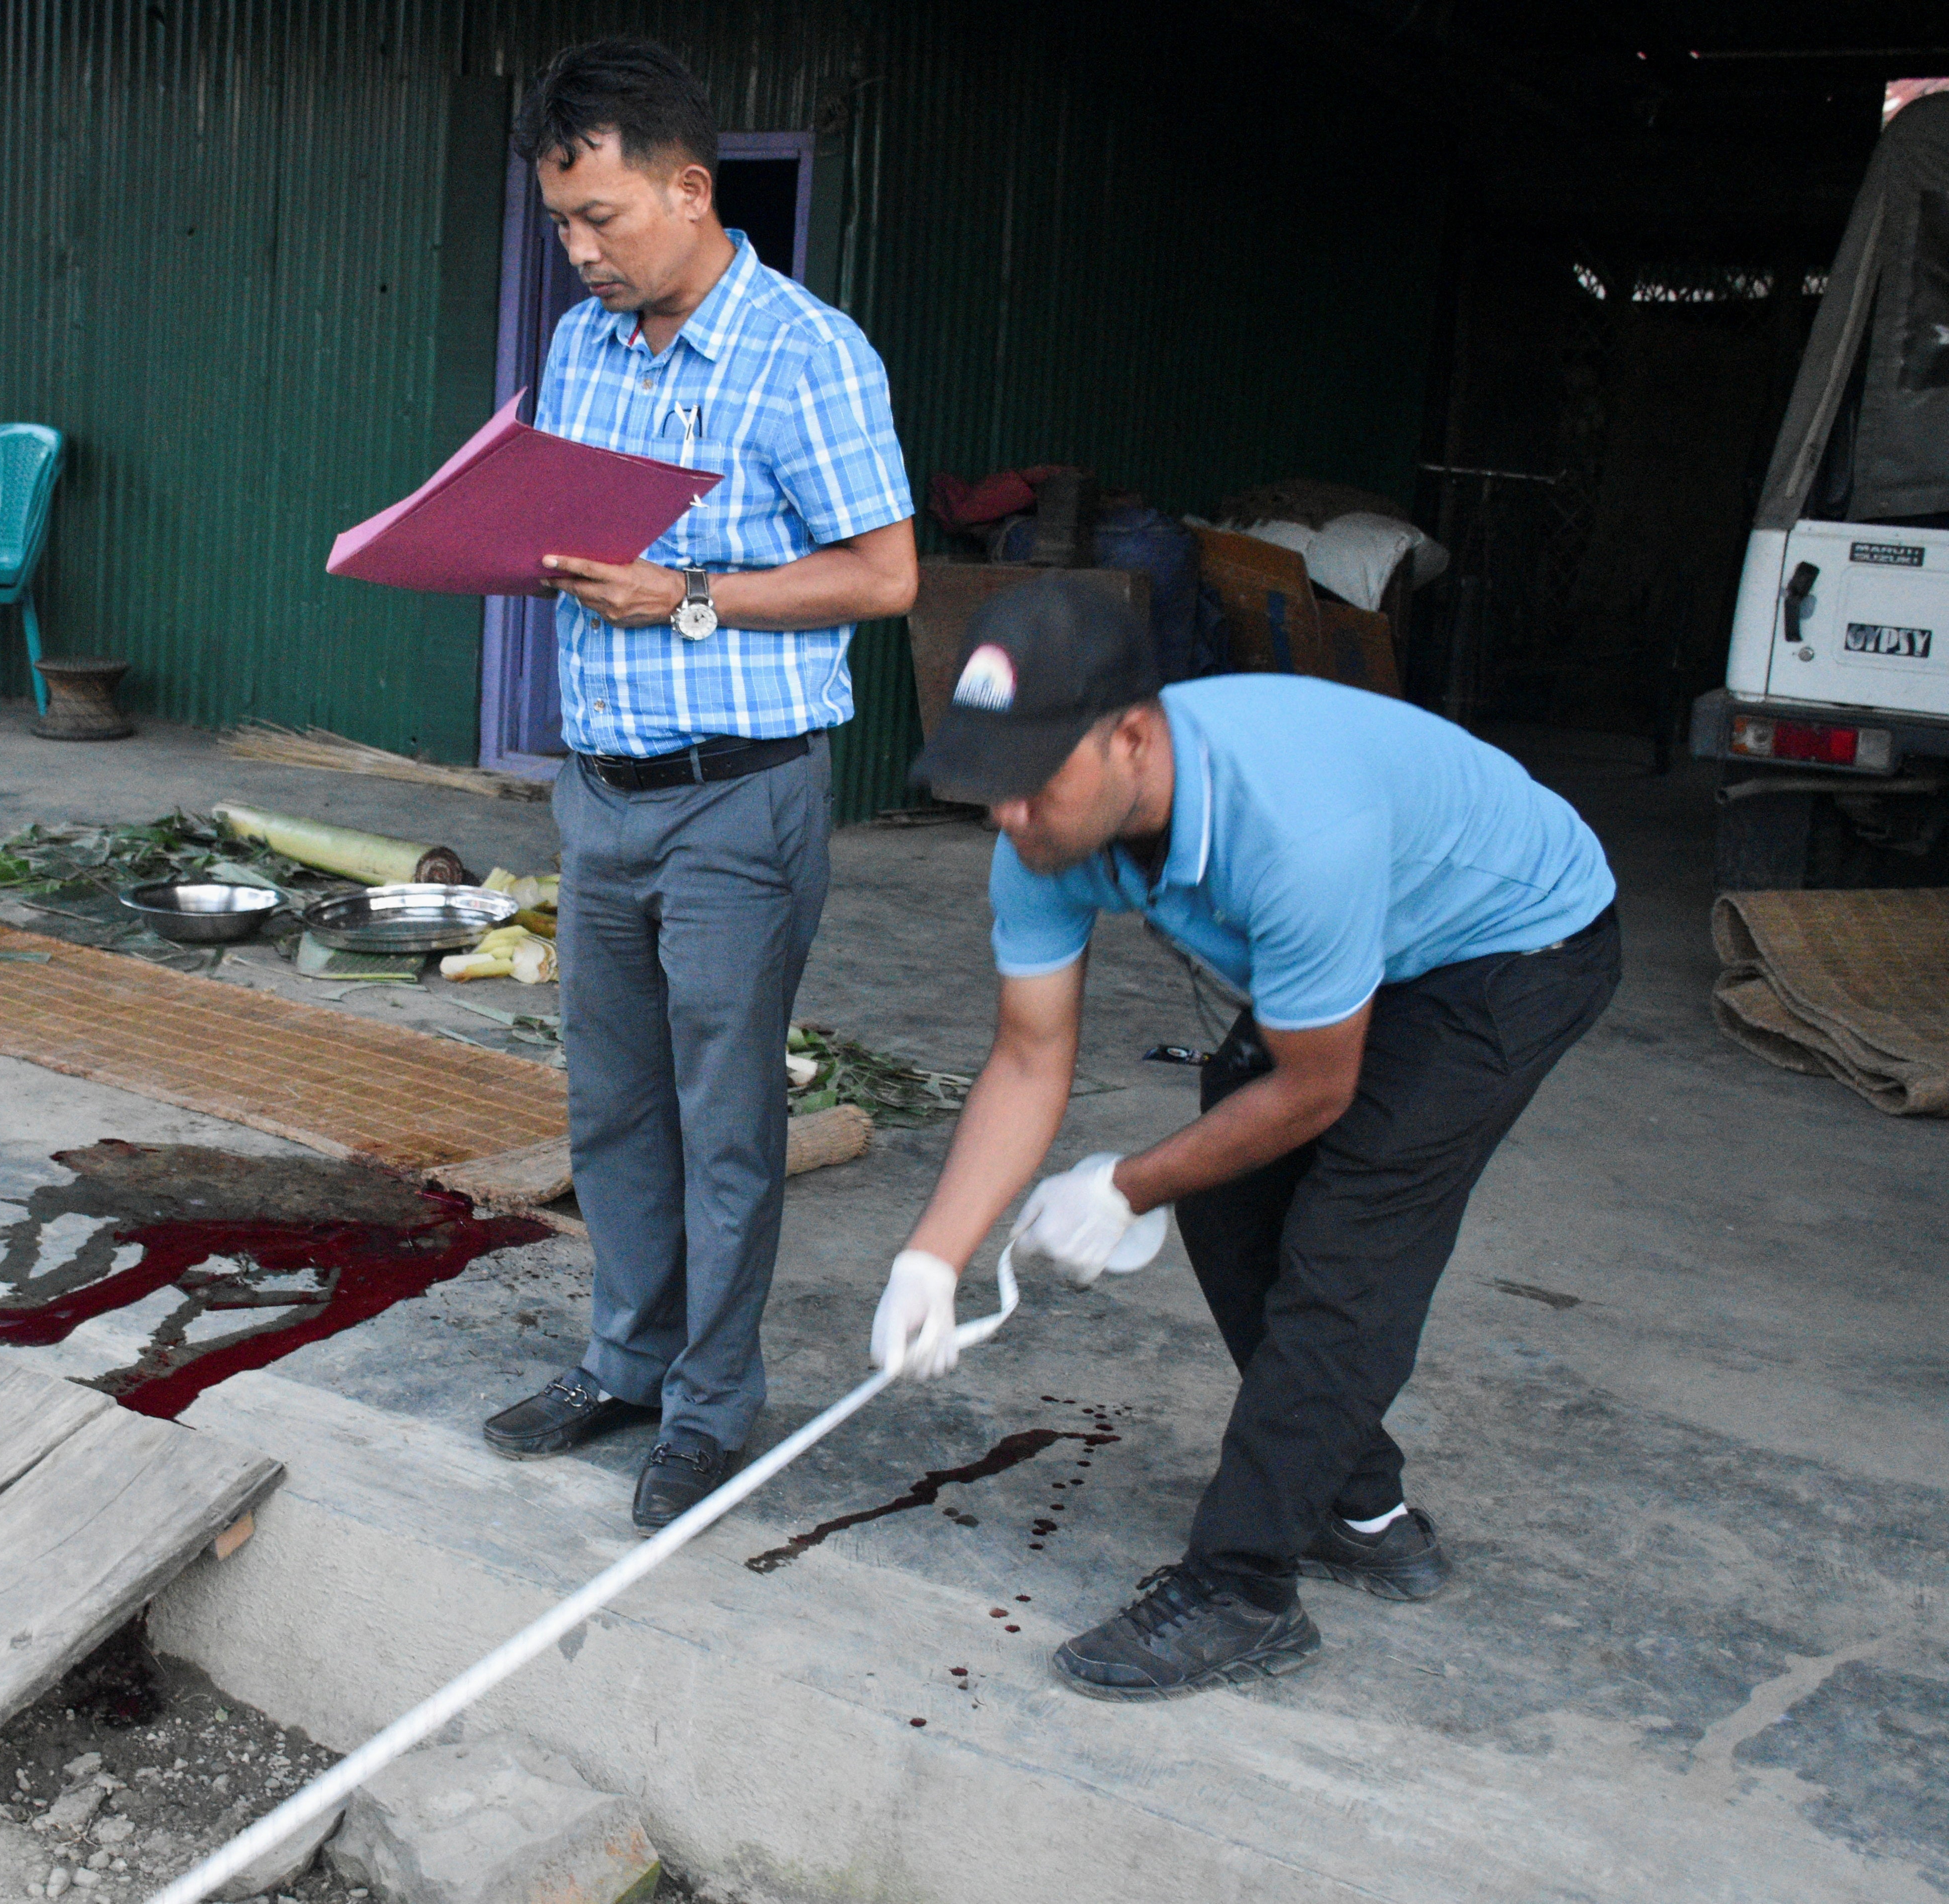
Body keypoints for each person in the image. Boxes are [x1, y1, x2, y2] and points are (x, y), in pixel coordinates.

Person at [870, 572, 1620, 1697]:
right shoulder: (1041, 830)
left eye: (1028, 786)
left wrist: (1123, 1181)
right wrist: (933, 1252)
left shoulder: (1294, 824)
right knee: (1225, 1193)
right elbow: (1029, 1056)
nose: (1006, 816)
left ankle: (1242, 1584)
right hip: (1364, 942)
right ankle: (1358, 1504)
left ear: (1130, 736)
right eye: (986, 787)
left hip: (1509, 948)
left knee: (1347, 1245)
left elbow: (1317, 1091)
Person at [477, 39, 918, 1531]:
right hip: (600, 789)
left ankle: (709, 1408)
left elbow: (885, 572)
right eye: (558, 224)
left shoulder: (809, 354)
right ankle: (624, 1359)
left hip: (740, 795)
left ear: (688, 189)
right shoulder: (583, 348)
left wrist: (689, 592)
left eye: (600, 219)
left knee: (722, 1120)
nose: (579, 252)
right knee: (610, 1106)